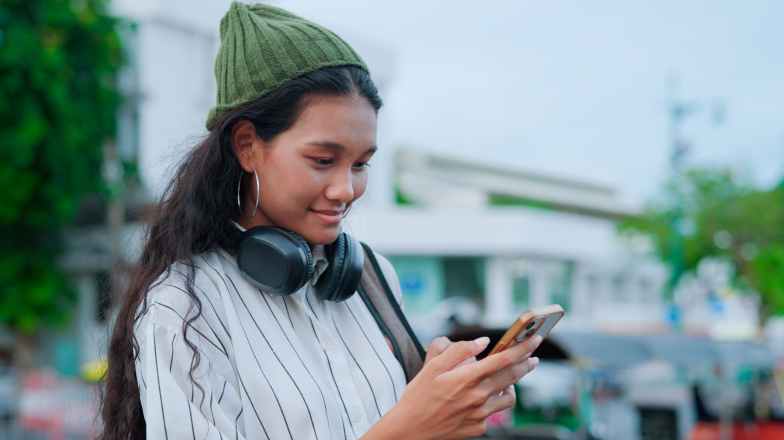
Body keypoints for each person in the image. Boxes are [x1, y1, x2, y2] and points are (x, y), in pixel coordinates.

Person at [99, 3, 542, 440]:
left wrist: (442, 401)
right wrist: (406, 430)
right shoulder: (183, 306)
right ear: (248, 145)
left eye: (361, 164)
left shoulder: (372, 277)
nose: (345, 190)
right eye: (323, 160)